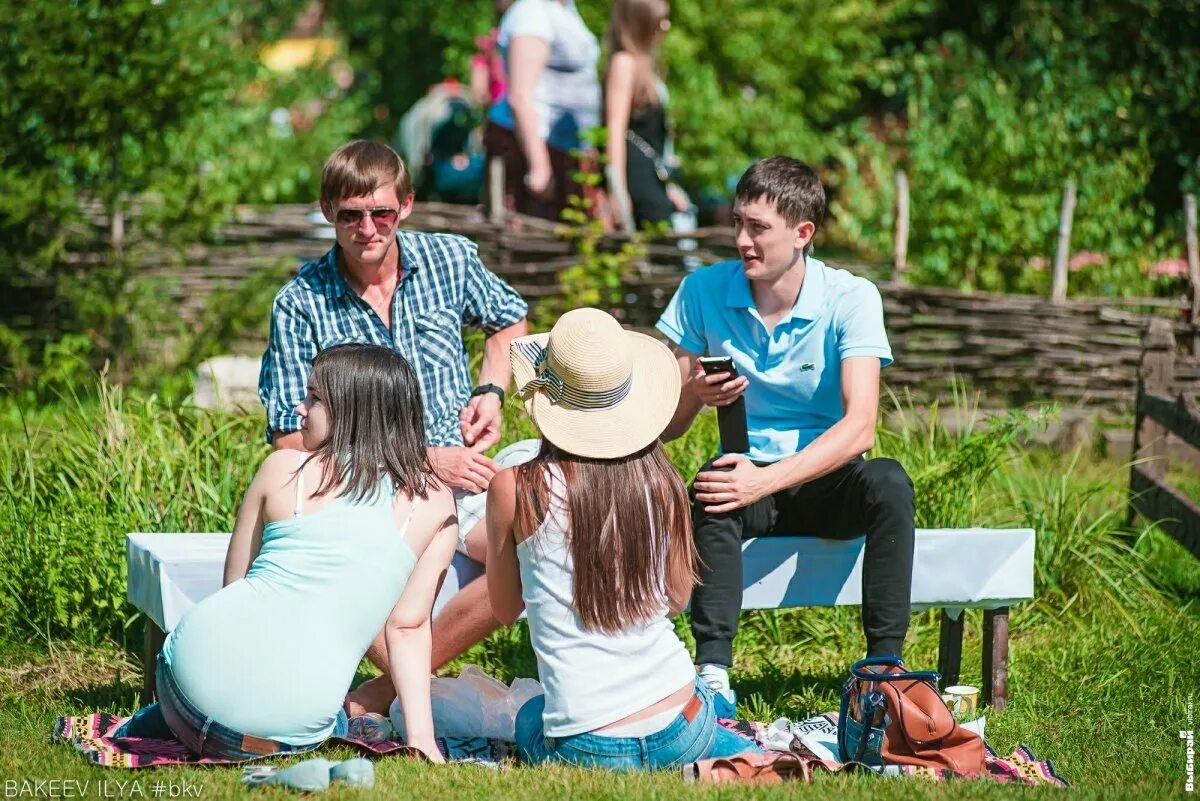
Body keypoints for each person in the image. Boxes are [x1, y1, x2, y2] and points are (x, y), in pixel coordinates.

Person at [257, 139, 533, 714]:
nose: (367, 228)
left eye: (381, 212)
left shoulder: (449, 260)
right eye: (351, 215)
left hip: (462, 481)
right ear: (328, 211)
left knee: (539, 544)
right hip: (360, 492)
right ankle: (407, 690)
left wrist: (490, 389)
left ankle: (384, 691)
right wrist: (426, 459)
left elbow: (510, 322)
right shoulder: (300, 302)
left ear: (405, 205)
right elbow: (288, 435)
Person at [655, 157, 916, 713]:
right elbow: (668, 426)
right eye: (738, 223)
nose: (741, 240)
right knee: (712, 485)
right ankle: (714, 675)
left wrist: (766, 481)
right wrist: (695, 397)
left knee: (890, 481)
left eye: (758, 228)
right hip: (746, 476)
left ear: (803, 234)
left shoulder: (852, 297)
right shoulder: (701, 291)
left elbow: (860, 426)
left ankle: (884, 674)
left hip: (827, 479)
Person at [114, 344, 457, 762]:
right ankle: (347, 721)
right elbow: (406, 629)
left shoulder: (283, 469)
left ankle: (151, 725)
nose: (299, 408)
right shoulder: (435, 504)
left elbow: (234, 591)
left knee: (199, 695)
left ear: (351, 410)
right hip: (281, 737)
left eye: (314, 398)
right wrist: (422, 741)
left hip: (182, 691)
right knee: (332, 719)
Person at [485, 308, 761, 770]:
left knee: (531, 714)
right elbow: (675, 601)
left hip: (585, 742)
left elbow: (503, 605)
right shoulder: (662, 480)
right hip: (682, 723)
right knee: (730, 731)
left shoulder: (514, 487)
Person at [484, 0, 601, 220]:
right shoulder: (531, 12)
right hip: (534, 149)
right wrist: (539, 167)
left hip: (564, 150)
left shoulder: (563, 9)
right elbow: (521, 96)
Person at [603, 0, 689, 233]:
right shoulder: (624, 63)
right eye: (659, 20)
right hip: (635, 176)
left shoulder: (646, 66)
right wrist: (617, 191)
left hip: (651, 174)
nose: (666, 26)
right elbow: (615, 129)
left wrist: (667, 185)